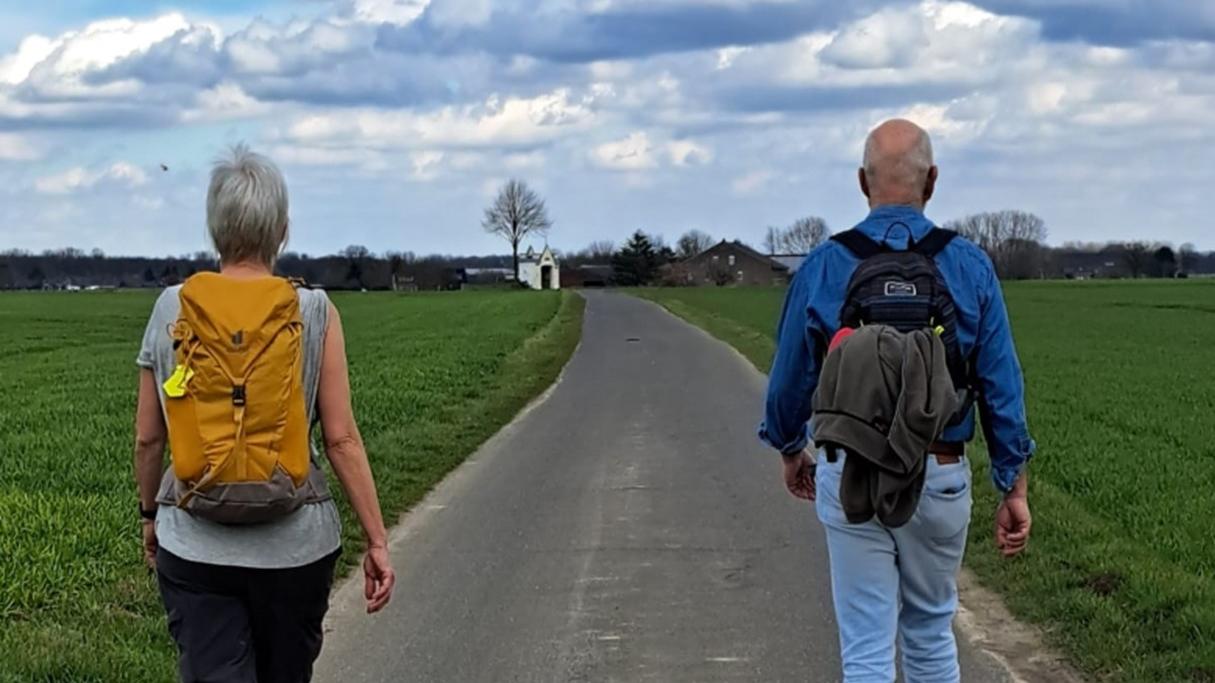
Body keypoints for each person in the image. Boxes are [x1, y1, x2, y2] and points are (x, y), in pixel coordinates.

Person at [759, 119, 1035, 682]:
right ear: (932, 181)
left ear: (862, 182)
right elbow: (1002, 386)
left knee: (866, 647)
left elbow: (789, 380)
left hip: (850, 471)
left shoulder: (825, 265)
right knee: (932, 633)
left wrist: (791, 449)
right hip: (940, 471)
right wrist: (1014, 486)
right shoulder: (970, 266)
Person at [133, 145, 395, 683]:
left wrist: (149, 516)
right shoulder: (315, 310)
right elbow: (342, 438)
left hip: (194, 543)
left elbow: (147, 439)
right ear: (282, 230)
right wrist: (377, 540)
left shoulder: (170, 307)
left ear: (215, 229)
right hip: (296, 550)